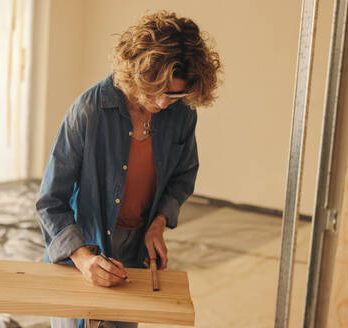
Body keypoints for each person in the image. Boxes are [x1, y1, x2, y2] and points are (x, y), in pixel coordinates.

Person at [36, 10, 221, 328]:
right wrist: (82, 258)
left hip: (136, 251)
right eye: (157, 92)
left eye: (175, 95)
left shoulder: (181, 115)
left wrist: (158, 223)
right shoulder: (89, 111)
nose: (164, 103)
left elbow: (182, 175)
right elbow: (50, 202)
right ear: (139, 73)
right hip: (84, 248)